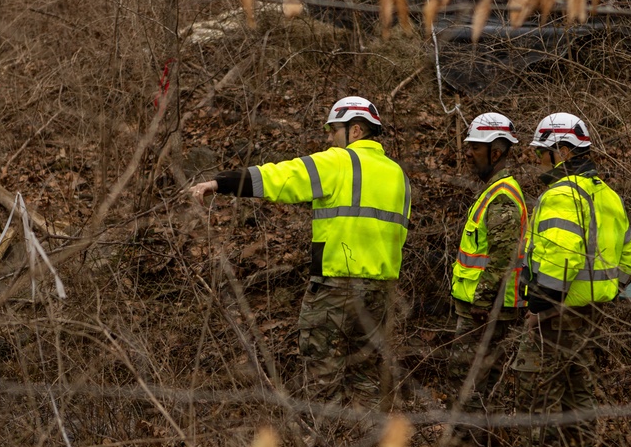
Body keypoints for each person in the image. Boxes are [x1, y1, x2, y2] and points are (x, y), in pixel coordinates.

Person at [190, 96, 411, 402]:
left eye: (334, 130)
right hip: (381, 293)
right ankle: (368, 445)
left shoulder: (337, 161)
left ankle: (322, 446)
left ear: (356, 131)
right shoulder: (398, 175)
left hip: (336, 288)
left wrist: (221, 183)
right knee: (367, 378)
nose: (329, 138)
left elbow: (280, 177)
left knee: (322, 377)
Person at [510, 112, 631, 447]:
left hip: (555, 315)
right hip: (592, 314)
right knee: (579, 398)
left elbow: (559, 263)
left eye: (543, 153)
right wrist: (604, 289)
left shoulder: (561, 195)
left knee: (544, 400)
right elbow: (630, 255)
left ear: (562, 152)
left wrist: (537, 309)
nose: (538, 162)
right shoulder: (608, 194)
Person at [449, 112, 529, 419]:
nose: (469, 154)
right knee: (477, 379)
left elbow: (502, 256)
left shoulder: (502, 197)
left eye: (476, 148)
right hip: (482, 305)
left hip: (485, 309)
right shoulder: (495, 190)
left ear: (496, 152)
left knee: (467, 378)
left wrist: (482, 301)